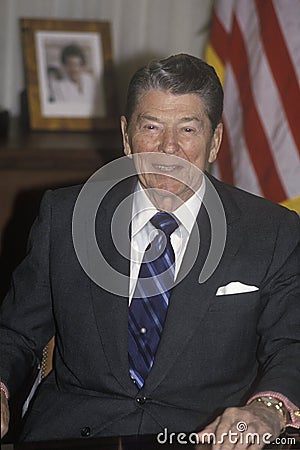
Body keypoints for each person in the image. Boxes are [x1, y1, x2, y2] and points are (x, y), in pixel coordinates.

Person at [1, 54, 299, 447]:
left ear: (216, 141)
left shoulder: (273, 231)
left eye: (188, 129)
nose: (168, 147)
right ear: (127, 137)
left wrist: (268, 408)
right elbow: (17, 333)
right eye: (152, 127)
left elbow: (292, 345)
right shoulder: (66, 215)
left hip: (205, 438)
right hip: (75, 432)